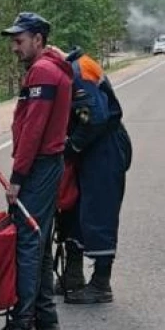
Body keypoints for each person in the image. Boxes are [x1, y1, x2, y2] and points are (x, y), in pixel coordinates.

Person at [0, 12, 73, 330]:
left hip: (38, 167)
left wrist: (17, 178)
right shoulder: (51, 68)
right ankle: (45, 314)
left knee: (26, 241)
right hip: (47, 164)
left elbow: (33, 130)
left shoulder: (43, 73)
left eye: (19, 41)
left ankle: (22, 327)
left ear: (38, 39)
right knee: (40, 236)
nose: (14, 48)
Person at [56, 47, 132, 303]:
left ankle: (101, 283)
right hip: (89, 146)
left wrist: (71, 147)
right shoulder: (72, 69)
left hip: (103, 146)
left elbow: (94, 118)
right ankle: (73, 275)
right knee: (75, 208)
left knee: (99, 210)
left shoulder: (79, 71)